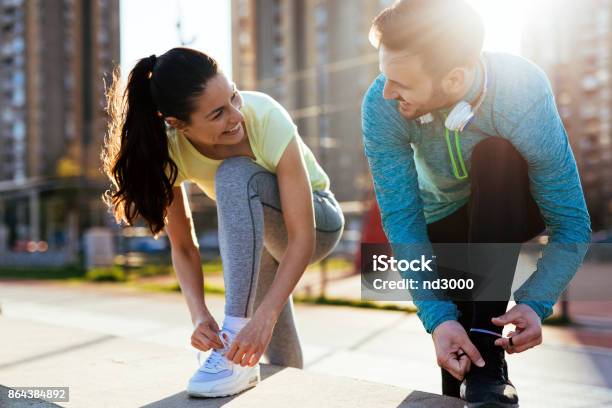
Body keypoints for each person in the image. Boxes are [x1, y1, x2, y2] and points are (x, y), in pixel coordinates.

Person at [361, 1, 591, 406]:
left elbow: (571, 222)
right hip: (442, 222)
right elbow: (402, 222)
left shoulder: (520, 90)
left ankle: (488, 348)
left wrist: (536, 301)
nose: (386, 92)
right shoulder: (381, 106)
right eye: (384, 75)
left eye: (400, 82)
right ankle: (482, 372)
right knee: (459, 359)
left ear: (453, 79)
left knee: (495, 155)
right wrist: (438, 319)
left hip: (510, 205)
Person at [102, 47, 344, 398]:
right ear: (178, 124)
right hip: (259, 238)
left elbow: (302, 237)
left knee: (234, 175)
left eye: (233, 97)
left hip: (318, 222)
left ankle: (233, 332)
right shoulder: (169, 151)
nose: (236, 116)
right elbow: (183, 246)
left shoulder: (264, 116)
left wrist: (263, 316)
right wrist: (199, 315)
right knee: (268, 350)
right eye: (218, 114)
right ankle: (284, 390)